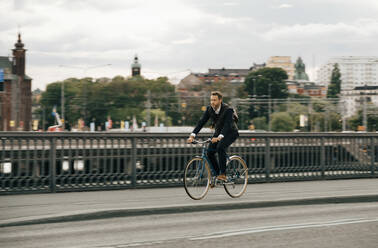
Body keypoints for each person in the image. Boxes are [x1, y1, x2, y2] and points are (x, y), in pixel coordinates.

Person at [187, 91, 239, 181]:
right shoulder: (209, 109)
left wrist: (220, 137)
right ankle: (217, 174)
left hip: (231, 132)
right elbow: (201, 122)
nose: (212, 102)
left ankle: (223, 174)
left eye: (214, 100)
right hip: (218, 133)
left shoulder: (228, 110)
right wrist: (192, 135)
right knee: (209, 152)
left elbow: (227, 125)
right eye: (211, 100)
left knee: (220, 147)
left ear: (220, 100)